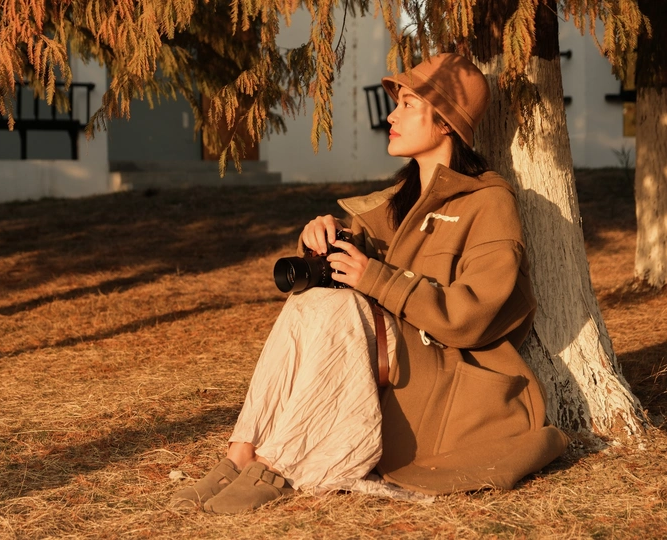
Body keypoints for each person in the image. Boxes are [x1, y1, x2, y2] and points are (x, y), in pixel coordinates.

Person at [170, 53, 569, 514]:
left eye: (408, 105)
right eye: (396, 105)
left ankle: (278, 466)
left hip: (446, 375)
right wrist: (319, 237)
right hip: (396, 359)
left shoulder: (487, 202)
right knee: (309, 301)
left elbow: (472, 316)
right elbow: (347, 267)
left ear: (445, 123)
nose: (391, 117)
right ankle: (241, 455)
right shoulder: (395, 202)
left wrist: (375, 277)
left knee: (339, 307)